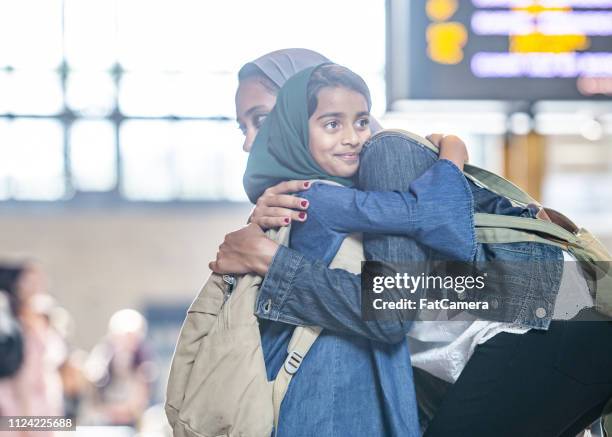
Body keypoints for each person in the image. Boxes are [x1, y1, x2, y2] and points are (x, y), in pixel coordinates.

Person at [212, 49, 612, 436]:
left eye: (261, 119)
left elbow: (392, 309)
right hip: (537, 329)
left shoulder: (386, 155)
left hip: (552, 323)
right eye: (243, 127)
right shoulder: (327, 188)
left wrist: (272, 261)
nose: (249, 143)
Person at [238, 61, 473, 435]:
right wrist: (452, 157)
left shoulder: (379, 163)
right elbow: (443, 229)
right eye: (333, 123)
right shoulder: (307, 199)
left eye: (263, 120)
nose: (251, 142)